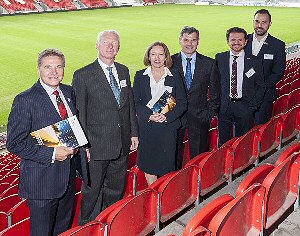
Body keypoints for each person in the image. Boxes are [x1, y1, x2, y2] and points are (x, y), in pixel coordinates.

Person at [6, 48, 77, 236]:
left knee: (63, 230)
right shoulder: (25, 100)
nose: (54, 72)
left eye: (58, 67)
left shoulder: (69, 92)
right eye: (48, 67)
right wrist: (53, 154)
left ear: (64, 69)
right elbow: (14, 143)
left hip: (68, 180)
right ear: (39, 70)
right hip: (41, 184)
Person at [72, 30, 139, 225]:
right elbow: (79, 114)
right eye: (106, 42)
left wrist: (134, 132)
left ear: (119, 47)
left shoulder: (124, 70)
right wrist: (84, 146)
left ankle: (110, 222)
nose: (110, 46)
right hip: (96, 147)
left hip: (121, 143)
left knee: (116, 189)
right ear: (97, 45)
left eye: (114, 43)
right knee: (92, 192)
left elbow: (129, 105)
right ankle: (87, 227)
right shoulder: (83, 75)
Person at [133, 41, 186, 185]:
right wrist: (149, 115)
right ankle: (153, 194)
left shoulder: (175, 76)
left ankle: (164, 197)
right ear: (148, 57)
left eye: (161, 54)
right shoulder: (140, 76)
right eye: (153, 54)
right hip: (147, 129)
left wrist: (166, 117)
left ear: (166, 57)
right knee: (148, 165)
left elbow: (182, 103)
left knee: (167, 167)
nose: (157, 58)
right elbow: (136, 103)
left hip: (168, 129)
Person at [172, 26, 220, 169]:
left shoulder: (209, 63)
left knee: (199, 158)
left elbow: (216, 92)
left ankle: (198, 184)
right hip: (175, 117)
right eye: (186, 39)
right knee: (174, 154)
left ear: (198, 42)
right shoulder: (170, 63)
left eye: (193, 40)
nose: (189, 43)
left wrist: (209, 114)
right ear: (180, 40)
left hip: (200, 117)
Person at [216, 27, 265, 146]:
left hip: (245, 107)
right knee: (224, 143)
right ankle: (224, 164)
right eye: (233, 39)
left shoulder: (255, 61)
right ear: (227, 41)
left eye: (240, 39)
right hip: (224, 108)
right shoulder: (219, 58)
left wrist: (253, 106)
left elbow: (261, 86)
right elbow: (215, 84)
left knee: (243, 142)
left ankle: (241, 164)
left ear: (246, 41)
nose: (236, 42)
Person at [245, 9, 286, 125]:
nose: (259, 25)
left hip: (265, 96)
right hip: (243, 96)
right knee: (242, 131)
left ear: (270, 24)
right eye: (257, 21)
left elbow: (278, 73)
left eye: (264, 22)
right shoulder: (243, 41)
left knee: (261, 129)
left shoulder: (278, 45)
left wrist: (260, 87)